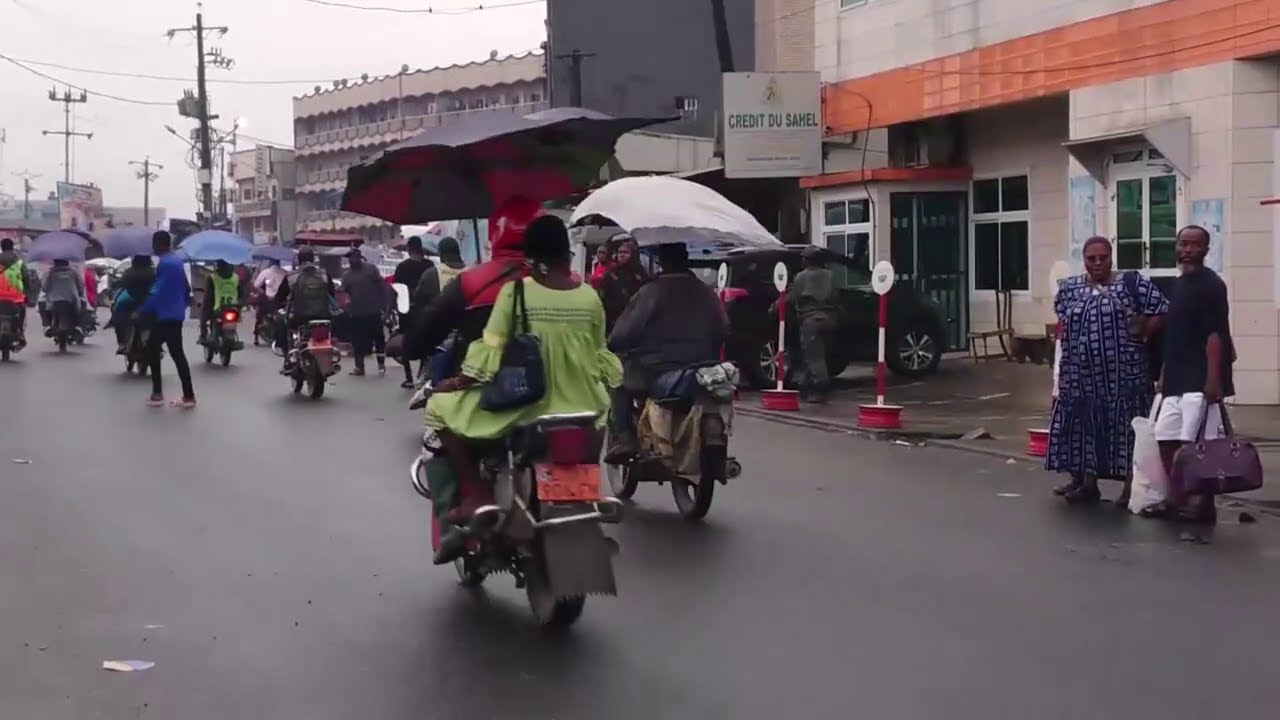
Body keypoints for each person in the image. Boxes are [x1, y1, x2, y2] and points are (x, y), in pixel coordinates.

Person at [425, 214, 621, 563]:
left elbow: (492, 348)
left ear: (530, 256)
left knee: (439, 409)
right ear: (566, 254)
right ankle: (586, 495)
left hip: (529, 406)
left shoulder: (516, 293)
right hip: (583, 406)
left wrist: (460, 380)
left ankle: (473, 495)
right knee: (597, 424)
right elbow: (599, 354)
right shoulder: (589, 297)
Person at [1045, 236, 1168, 505]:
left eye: (1103, 257)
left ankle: (1128, 488)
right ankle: (1088, 484)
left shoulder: (1130, 283)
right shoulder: (1070, 288)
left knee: (1126, 431)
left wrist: (1146, 330)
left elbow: (1162, 309)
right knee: (1085, 428)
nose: (1098, 262)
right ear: (1084, 260)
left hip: (1124, 377)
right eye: (1092, 258)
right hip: (1080, 377)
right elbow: (1062, 323)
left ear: (1112, 257)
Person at [1141, 225, 1235, 524]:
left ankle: (1203, 504)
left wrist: (1212, 380)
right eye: (1183, 244)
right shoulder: (1177, 285)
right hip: (1175, 379)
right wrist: (1164, 375)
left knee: (1197, 447)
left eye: (1194, 245)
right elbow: (1174, 335)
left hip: (1200, 380)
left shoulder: (1212, 285)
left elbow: (1215, 337)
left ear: (1206, 250)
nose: (1187, 250)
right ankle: (1177, 497)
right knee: (1165, 441)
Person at [605, 242, 729, 461]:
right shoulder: (705, 291)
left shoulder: (651, 291)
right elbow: (724, 329)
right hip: (703, 365)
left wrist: (613, 344)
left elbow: (625, 333)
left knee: (618, 384)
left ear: (661, 262)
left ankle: (625, 439)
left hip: (656, 367)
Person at [402, 196, 540, 372]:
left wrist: (407, 344)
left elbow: (419, 340)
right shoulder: (570, 287)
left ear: (493, 234)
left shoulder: (471, 282)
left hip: (479, 387)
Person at [398, 236, 466, 388]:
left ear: (441, 253)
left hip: (439, 333)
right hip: (467, 331)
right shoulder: (471, 272)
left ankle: (423, 380)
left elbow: (419, 300)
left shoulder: (432, 273)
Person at [139, 231, 196, 408]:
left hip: (166, 315)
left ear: (159, 245)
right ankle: (186, 395)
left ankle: (161, 394)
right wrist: (184, 302)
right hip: (175, 313)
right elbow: (185, 288)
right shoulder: (176, 261)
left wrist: (144, 308)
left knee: (154, 348)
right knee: (174, 352)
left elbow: (159, 290)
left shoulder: (166, 263)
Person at [785, 247, 838, 403]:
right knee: (816, 355)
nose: (801, 261)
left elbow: (792, 298)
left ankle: (821, 389)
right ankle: (804, 385)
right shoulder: (830, 275)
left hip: (810, 320)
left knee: (814, 357)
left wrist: (775, 307)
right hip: (829, 319)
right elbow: (836, 295)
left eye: (803, 258)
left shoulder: (801, 277)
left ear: (808, 260)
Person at [274, 247, 336, 370]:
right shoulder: (324, 275)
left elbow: (280, 297)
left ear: (299, 260)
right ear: (313, 259)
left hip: (299, 317)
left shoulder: (292, 276)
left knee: (281, 325)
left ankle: (288, 359)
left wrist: (279, 307)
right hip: (323, 315)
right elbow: (331, 293)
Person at [341, 247, 390, 375]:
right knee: (357, 342)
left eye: (355, 257)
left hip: (373, 311)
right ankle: (359, 367)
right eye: (351, 258)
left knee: (379, 339)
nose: (353, 260)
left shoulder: (371, 270)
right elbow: (344, 293)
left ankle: (381, 364)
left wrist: (385, 308)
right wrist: (346, 305)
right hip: (356, 314)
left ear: (360, 257)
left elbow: (382, 288)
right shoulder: (347, 276)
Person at [597, 232, 648, 333]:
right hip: (614, 322)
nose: (622, 255)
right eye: (620, 252)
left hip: (636, 321)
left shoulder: (641, 274)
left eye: (625, 252)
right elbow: (603, 298)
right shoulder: (611, 274)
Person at [111, 255, 156, 353]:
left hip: (130, 302)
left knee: (118, 315)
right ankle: (158, 347)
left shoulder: (129, 272)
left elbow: (121, 283)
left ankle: (122, 343)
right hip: (149, 303)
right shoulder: (154, 272)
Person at [198, 260, 246, 344]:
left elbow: (208, 296)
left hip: (218, 308)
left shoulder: (213, 277)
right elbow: (241, 293)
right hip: (233, 308)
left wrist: (205, 307)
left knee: (203, 314)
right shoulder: (236, 277)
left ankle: (203, 335)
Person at [40, 259, 87, 333]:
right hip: (72, 299)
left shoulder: (50, 273)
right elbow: (80, 286)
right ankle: (79, 325)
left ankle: (47, 324)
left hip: (53, 300)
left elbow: (44, 287)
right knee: (83, 302)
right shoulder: (74, 272)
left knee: (41, 302)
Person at [0, 239, 28, 343]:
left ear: (2, 247)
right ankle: (20, 332)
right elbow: (26, 277)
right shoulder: (19, 261)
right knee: (22, 312)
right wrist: (28, 293)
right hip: (16, 298)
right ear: (12, 247)